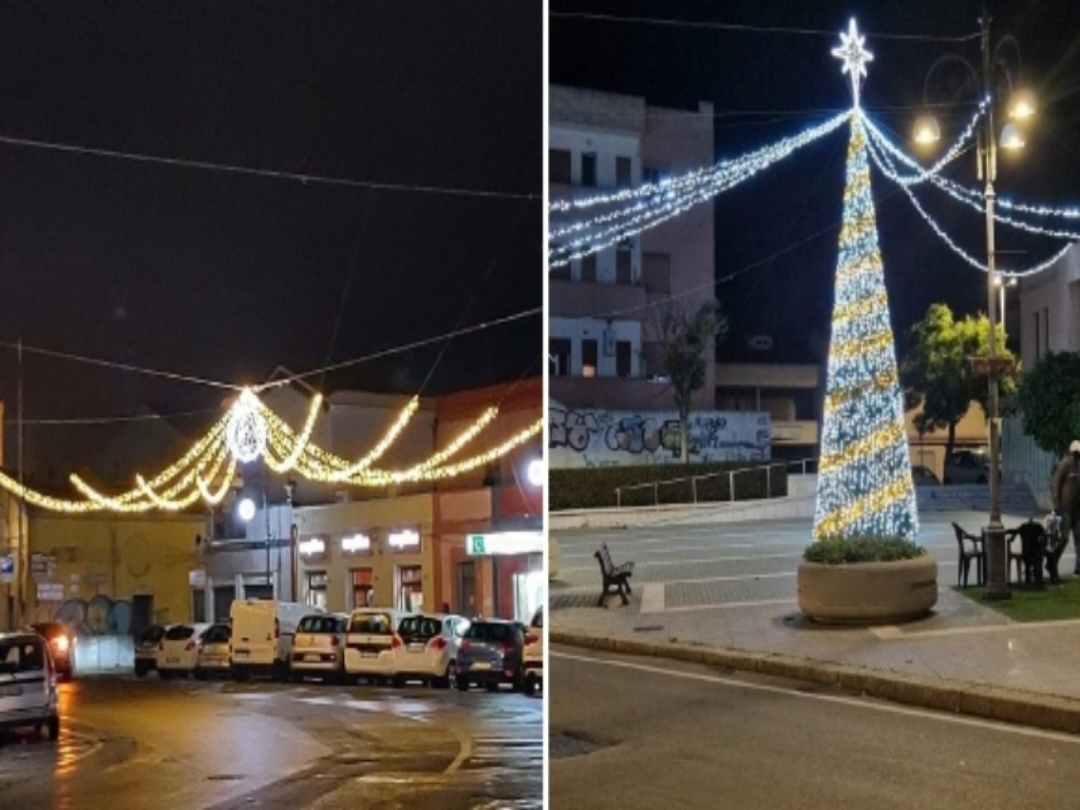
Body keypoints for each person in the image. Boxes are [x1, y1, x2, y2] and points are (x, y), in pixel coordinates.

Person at [1051, 440, 1080, 575]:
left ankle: (1078, 567)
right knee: (1064, 538)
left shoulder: (1077, 466)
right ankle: (1052, 561)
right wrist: (1056, 504)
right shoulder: (1065, 464)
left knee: (1079, 538)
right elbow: (1055, 483)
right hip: (1065, 508)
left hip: (1077, 509)